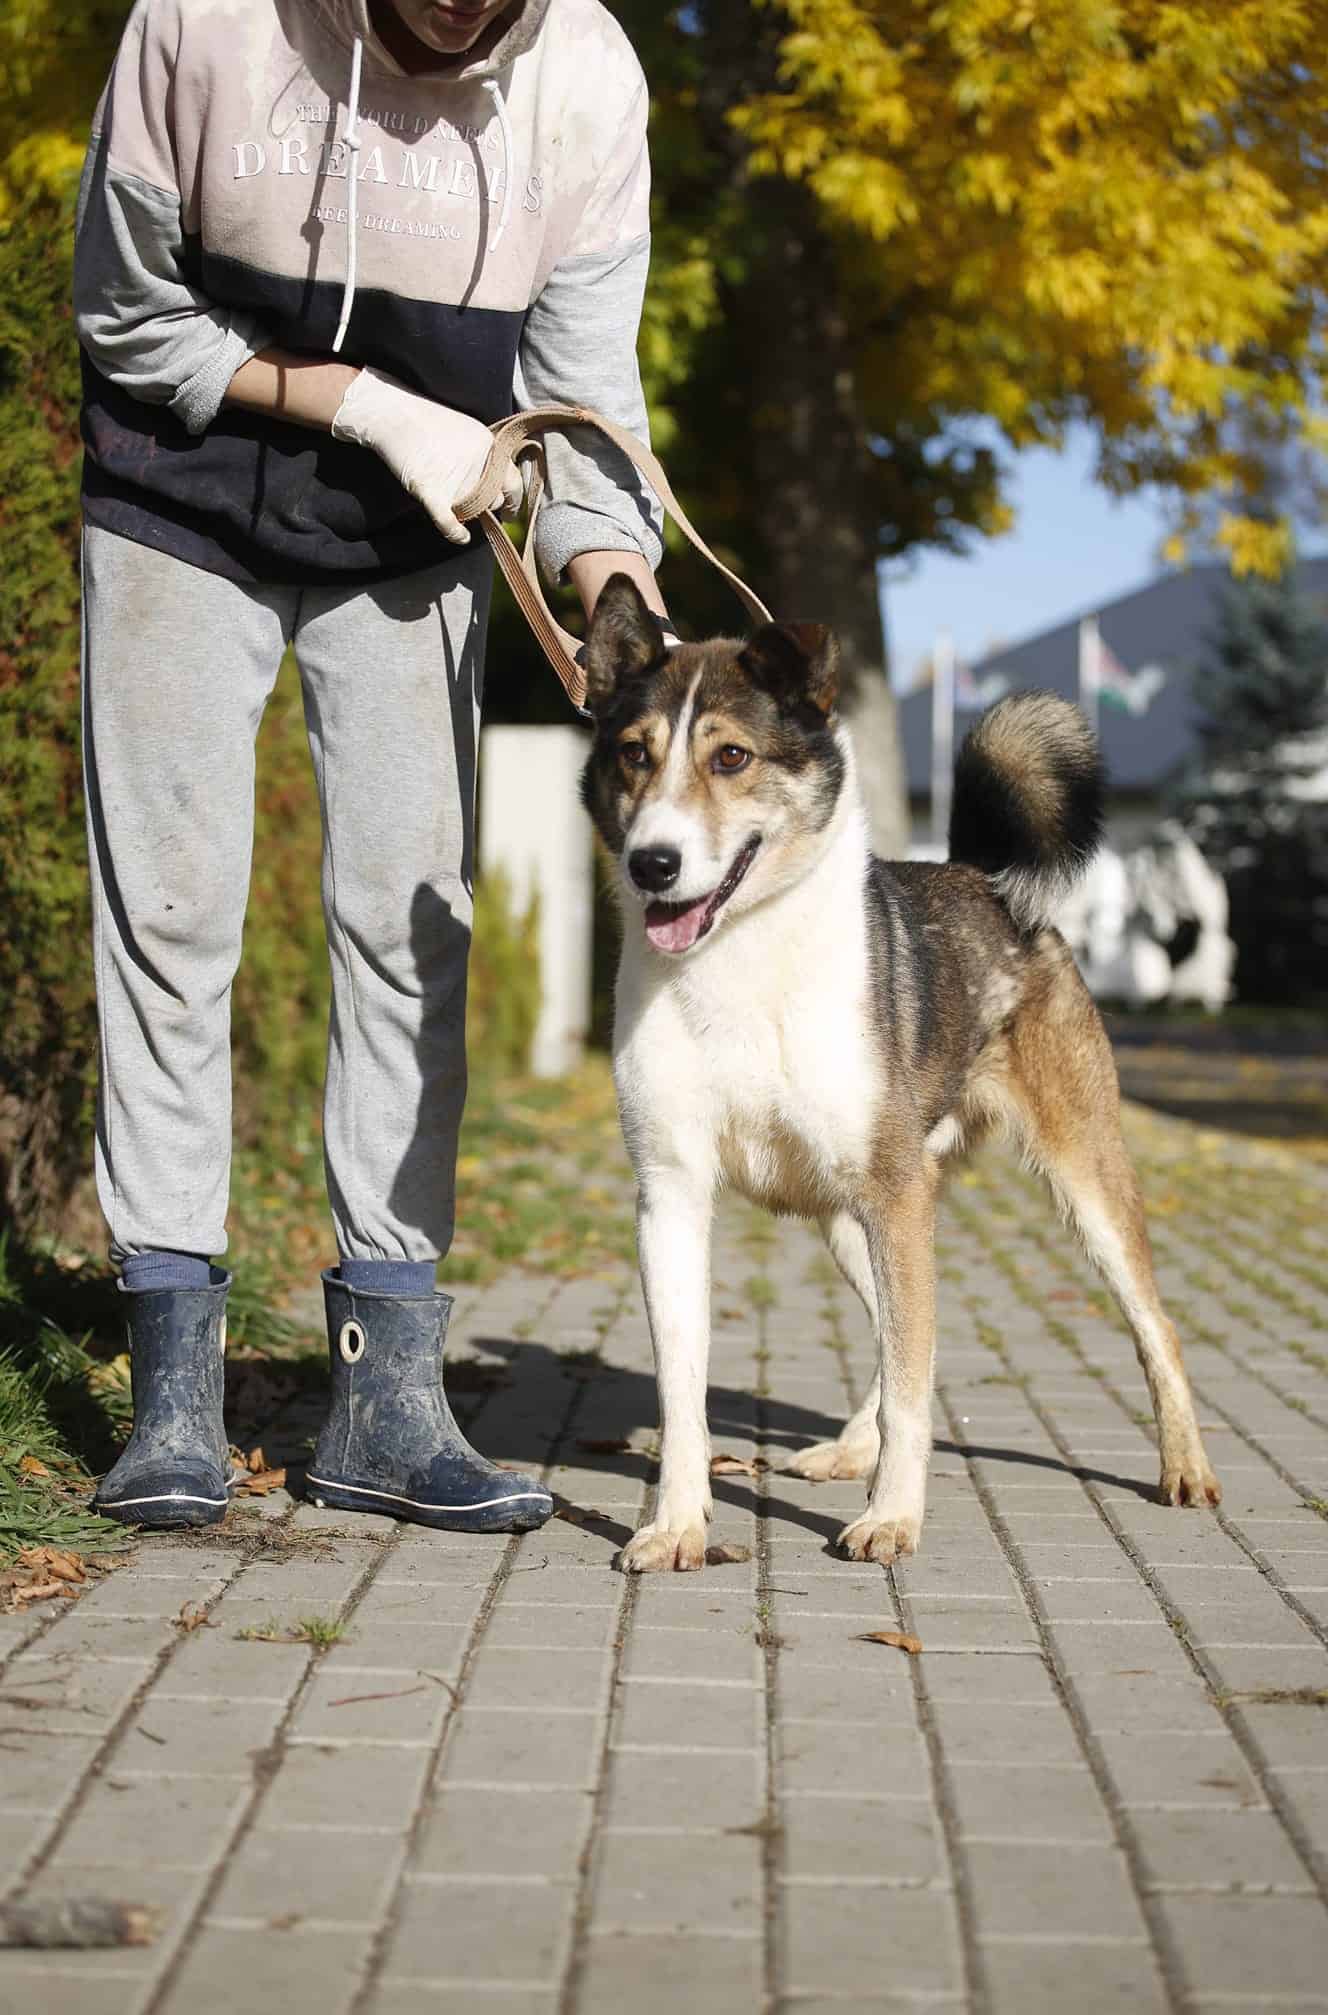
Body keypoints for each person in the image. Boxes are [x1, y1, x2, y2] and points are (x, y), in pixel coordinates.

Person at [74, 0, 668, 1533]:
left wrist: (622, 604)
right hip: (176, 502)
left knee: (413, 933)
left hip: (414, 538)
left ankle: (390, 1408)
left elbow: (583, 401)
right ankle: (172, 1405)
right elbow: (125, 314)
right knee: (171, 915)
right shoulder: (200, 24)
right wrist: (365, 404)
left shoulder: (586, 78)